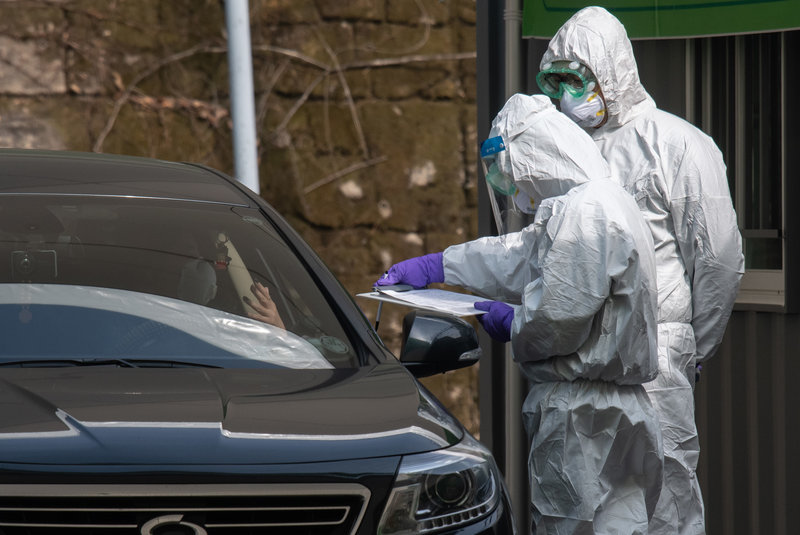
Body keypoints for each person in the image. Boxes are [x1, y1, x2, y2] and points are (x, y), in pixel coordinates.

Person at [377, 93, 664, 534]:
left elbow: (559, 318)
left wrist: (513, 322)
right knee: (623, 525)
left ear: (533, 155)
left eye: (514, 174)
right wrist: (441, 265)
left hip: (581, 415)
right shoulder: (603, 201)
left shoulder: (584, 212)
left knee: (568, 525)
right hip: (620, 408)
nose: (517, 189)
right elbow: (519, 256)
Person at [537, 7, 745, 534]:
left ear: (611, 73)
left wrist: (691, 343)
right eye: (554, 81)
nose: (565, 95)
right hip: (580, 362)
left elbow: (717, 257)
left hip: (654, 357)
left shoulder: (676, 144)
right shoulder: (568, 154)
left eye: (576, 79)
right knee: (578, 504)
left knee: (663, 502)